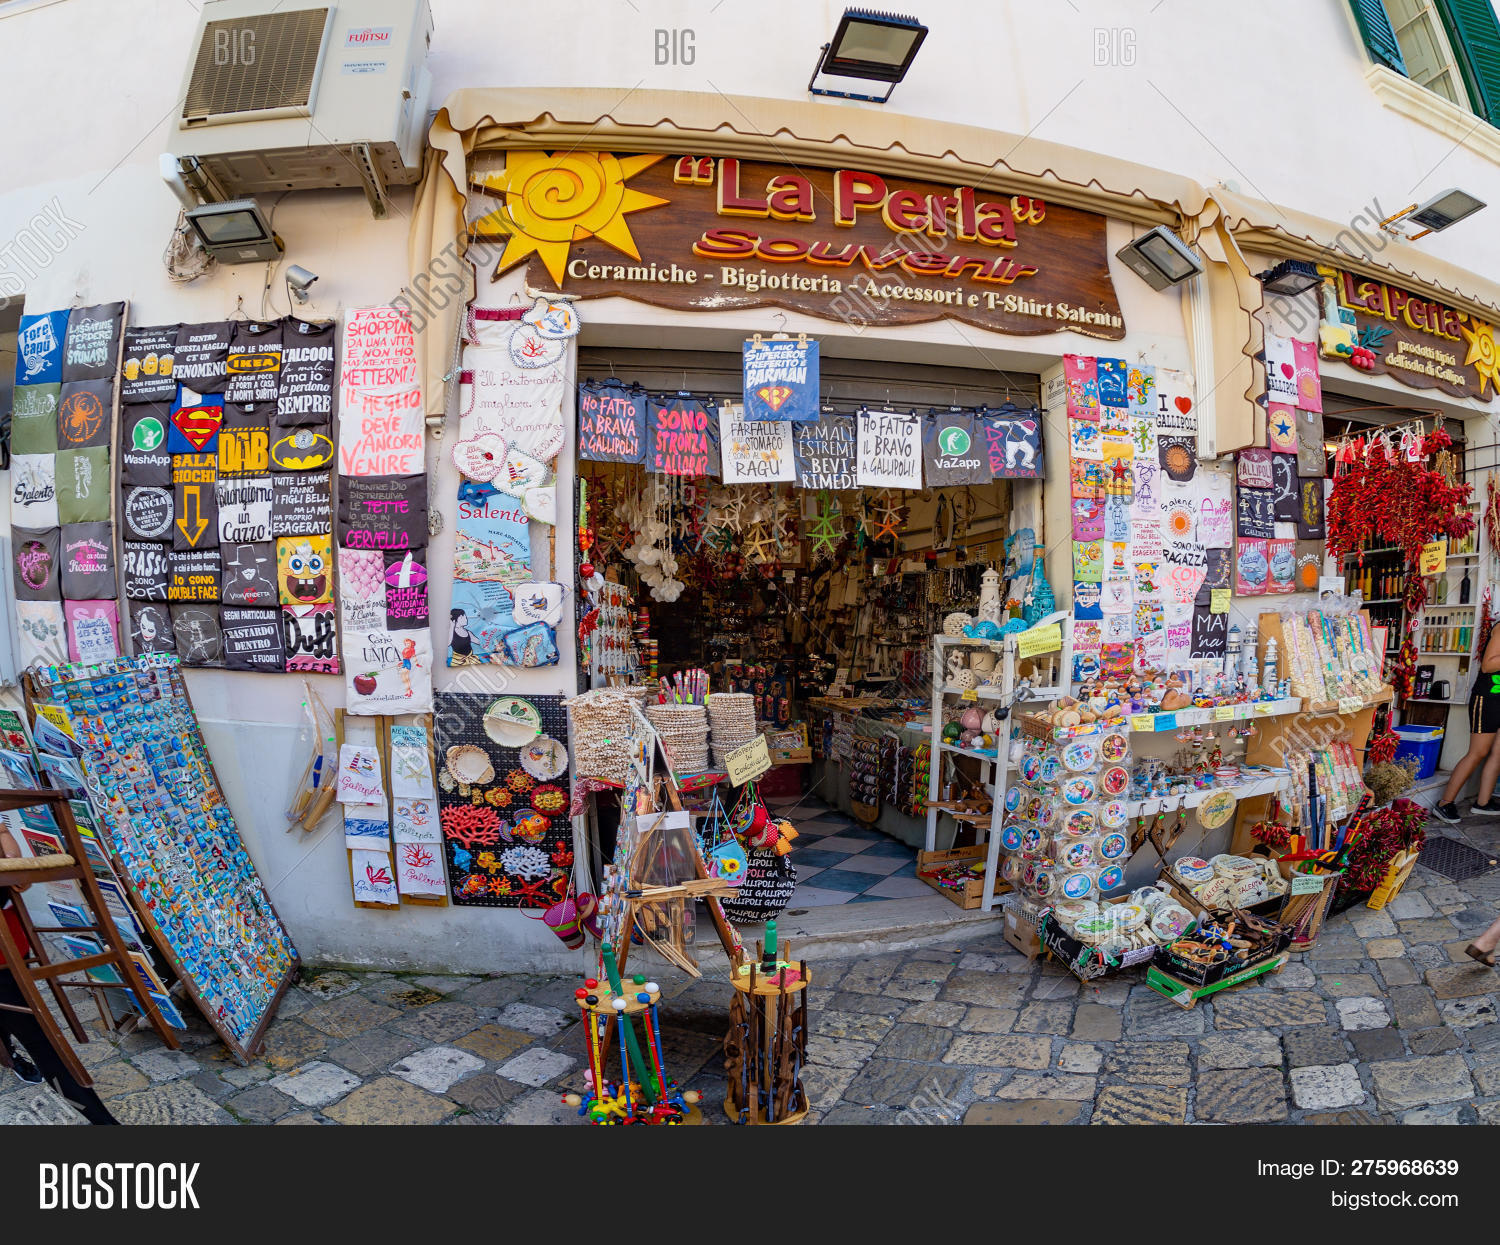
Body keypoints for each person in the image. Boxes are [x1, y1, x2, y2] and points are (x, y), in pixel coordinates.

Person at [0, 824, 118, 1123]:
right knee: (33, 1032)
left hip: (8, 938)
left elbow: (2, 830)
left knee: (29, 1026)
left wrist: (13, 861)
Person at [1433, 622, 1500, 822]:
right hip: (1488, 699)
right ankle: (1444, 803)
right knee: (1478, 752)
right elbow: (1488, 665)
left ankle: (1483, 802)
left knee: (1498, 753)